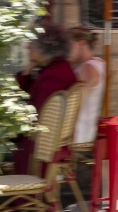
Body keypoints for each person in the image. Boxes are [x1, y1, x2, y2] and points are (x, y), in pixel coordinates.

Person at [13, 23, 78, 175]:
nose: (28, 48)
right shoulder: (57, 68)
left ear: (42, 47)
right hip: (46, 143)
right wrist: (28, 69)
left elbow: (37, 112)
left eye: (31, 45)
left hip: (39, 148)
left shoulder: (52, 76)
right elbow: (25, 94)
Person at [67, 27, 105, 147]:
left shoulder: (87, 68)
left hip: (78, 134)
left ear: (81, 43)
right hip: (83, 131)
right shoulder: (98, 63)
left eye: (68, 46)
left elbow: (75, 103)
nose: (66, 52)